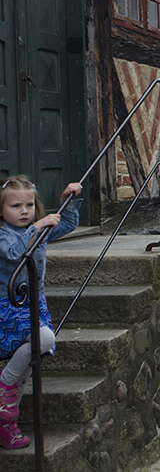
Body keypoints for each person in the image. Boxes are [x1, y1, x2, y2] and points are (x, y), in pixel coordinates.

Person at [0, 176, 82, 449]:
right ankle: (3, 387)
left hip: (34, 302)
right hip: (8, 306)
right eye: (15, 206)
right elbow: (13, 253)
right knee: (44, 340)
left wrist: (66, 202)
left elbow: (68, 224)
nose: (24, 211)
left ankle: (6, 423)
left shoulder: (37, 228)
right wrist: (37, 226)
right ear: (1, 211)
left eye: (29, 205)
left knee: (27, 368)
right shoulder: (3, 234)